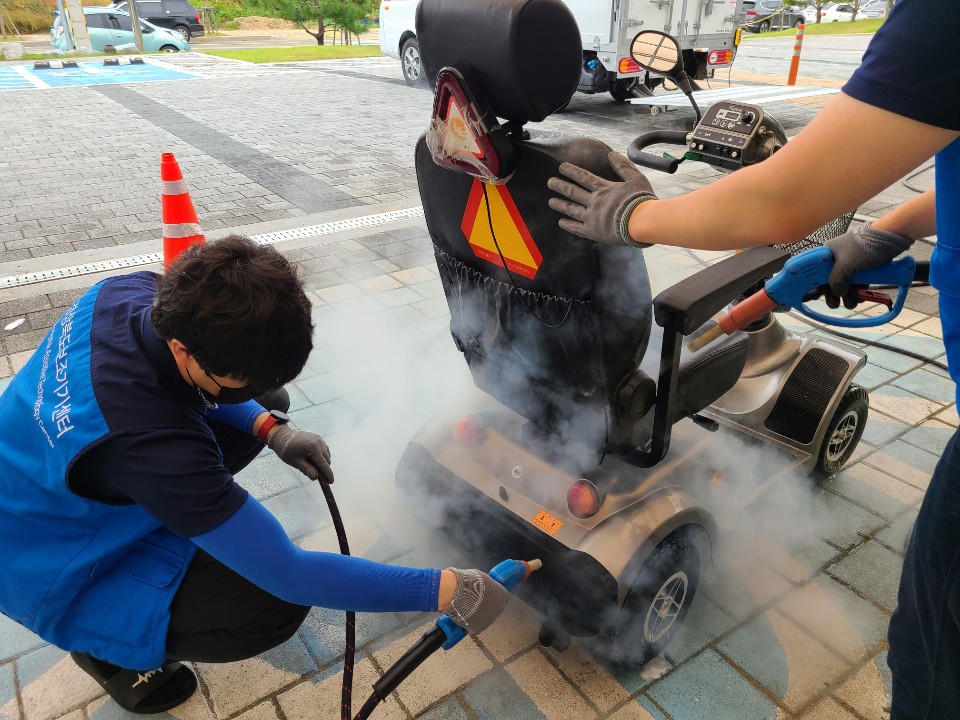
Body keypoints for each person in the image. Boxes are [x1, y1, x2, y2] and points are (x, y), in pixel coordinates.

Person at [547, 1, 959, 717]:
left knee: (930, 656)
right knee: (930, 659)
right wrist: (886, 231)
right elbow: (789, 195)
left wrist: (634, 218)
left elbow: (783, 200)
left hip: (567, 381)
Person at [0, 235, 507, 714]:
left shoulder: (131, 292)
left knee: (269, 405)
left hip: (47, 471)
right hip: (43, 556)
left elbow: (200, 393)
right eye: (232, 380)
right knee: (268, 608)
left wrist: (271, 429)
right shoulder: (150, 445)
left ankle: (185, 505)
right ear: (183, 350)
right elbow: (290, 574)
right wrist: (450, 590)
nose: (250, 391)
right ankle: (102, 644)